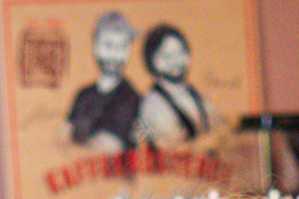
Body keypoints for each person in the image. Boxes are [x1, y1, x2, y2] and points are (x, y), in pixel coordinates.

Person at [67, 12, 142, 152]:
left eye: (122, 47)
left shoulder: (131, 98)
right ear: (94, 47)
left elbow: (108, 146)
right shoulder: (83, 95)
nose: (114, 55)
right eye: (108, 45)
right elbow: (63, 135)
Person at [133, 24, 210, 146]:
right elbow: (172, 148)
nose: (176, 61)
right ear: (152, 61)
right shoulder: (154, 103)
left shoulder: (193, 93)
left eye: (181, 52)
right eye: (167, 56)